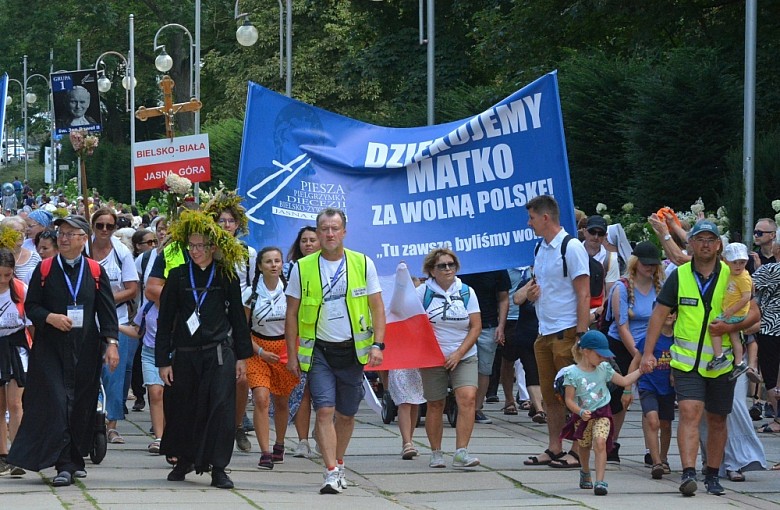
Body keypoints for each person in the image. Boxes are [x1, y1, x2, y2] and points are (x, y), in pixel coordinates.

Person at [641, 219, 760, 497]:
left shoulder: (735, 274)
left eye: (711, 239)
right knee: (689, 412)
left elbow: (755, 314)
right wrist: (647, 353)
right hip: (687, 362)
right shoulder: (680, 275)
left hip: (723, 363)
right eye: (700, 239)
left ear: (719, 245)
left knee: (718, 419)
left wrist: (730, 327)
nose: (705, 244)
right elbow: (659, 314)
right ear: (691, 244)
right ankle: (688, 473)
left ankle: (712, 474)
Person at [7, 215, 119, 487]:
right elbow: (31, 306)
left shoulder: (94, 271)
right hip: (51, 349)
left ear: (83, 239)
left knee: (80, 404)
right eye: (61, 234)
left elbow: (106, 311)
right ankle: (63, 465)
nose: (64, 238)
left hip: (85, 347)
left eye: (71, 234)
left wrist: (112, 343)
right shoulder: (45, 270)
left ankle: (74, 460)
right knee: (57, 403)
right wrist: (50, 317)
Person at [285, 208, 385, 494]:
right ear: (317, 233)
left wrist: (378, 344)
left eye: (334, 228)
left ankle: (339, 461)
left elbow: (377, 306)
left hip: (353, 352)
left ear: (344, 231)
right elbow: (292, 314)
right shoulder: (302, 267)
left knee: (347, 415)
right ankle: (330, 471)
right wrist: (292, 355)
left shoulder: (363, 263)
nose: (329, 234)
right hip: (319, 352)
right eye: (324, 229)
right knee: (325, 409)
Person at [155, 210, 253, 489]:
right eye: (192, 246)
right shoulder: (176, 276)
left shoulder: (225, 276)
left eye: (201, 246)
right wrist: (164, 361)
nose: (196, 251)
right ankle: (185, 459)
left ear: (213, 248)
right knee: (185, 408)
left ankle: (219, 467)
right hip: (185, 354)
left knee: (221, 409)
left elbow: (237, 316)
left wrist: (242, 357)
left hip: (218, 352)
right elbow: (165, 321)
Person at [523, 195, 590, 469]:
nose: (530, 224)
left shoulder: (571, 247)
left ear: (545, 217)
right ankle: (554, 447)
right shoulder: (541, 249)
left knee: (573, 395)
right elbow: (543, 286)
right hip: (545, 331)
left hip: (567, 331)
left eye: (532, 218)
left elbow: (584, 293)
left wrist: (582, 335)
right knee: (552, 396)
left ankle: (576, 451)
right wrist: (532, 294)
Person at [203, 190, 258, 454]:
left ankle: (236, 425)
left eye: (230, 221)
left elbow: (252, 285)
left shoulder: (249, 253)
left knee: (241, 379)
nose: (226, 226)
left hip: (239, 319)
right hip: (212, 319)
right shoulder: (208, 250)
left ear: (238, 225)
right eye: (221, 221)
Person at [417, 248, 481, 469]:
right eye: (441, 266)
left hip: (463, 354)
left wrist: (459, 354)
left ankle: (462, 451)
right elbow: (410, 323)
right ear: (431, 270)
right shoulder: (421, 292)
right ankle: (436, 452)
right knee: (435, 404)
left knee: (468, 398)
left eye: (451, 264)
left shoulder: (466, 291)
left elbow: (476, 326)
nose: (447, 269)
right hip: (433, 356)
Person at [603, 241, 664, 463]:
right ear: (636, 263)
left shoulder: (660, 288)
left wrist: (649, 351)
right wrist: (639, 355)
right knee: (620, 397)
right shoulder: (621, 287)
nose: (649, 268)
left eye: (653, 265)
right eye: (646, 264)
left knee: (651, 397)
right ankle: (612, 443)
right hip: (622, 344)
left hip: (651, 345)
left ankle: (651, 450)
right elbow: (622, 326)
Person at [561, 330, 641, 496]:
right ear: (586, 351)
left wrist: (641, 371)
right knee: (584, 446)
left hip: (603, 413)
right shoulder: (572, 373)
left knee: (600, 442)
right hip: (583, 416)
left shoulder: (604, 369)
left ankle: (600, 481)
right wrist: (580, 411)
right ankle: (585, 471)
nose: (603, 359)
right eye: (599, 355)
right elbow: (569, 400)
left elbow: (624, 381)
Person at [243, 246, 299, 469]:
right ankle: (265, 452)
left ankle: (280, 443)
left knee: (281, 400)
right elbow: (241, 329)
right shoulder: (250, 294)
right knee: (261, 398)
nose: (274, 265)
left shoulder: (290, 291)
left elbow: (297, 323)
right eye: (268, 261)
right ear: (260, 266)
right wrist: (259, 351)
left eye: (277, 261)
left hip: (284, 348)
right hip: (258, 349)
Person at [89, 208, 139, 445]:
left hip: (115, 322)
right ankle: (90, 418)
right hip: (87, 323)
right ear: (93, 226)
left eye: (109, 226)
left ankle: (112, 424)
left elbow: (131, 288)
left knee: (113, 374)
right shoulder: (84, 249)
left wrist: (105, 299)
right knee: (88, 373)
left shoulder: (121, 253)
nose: (104, 231)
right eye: (100, 225)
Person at [283, 225, 320, 458]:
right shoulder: (289, 270)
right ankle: (303, 440)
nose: (308, 244)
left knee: (325, 394)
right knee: (302, 391)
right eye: (304, 240)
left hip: (328, 339)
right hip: (300, 340)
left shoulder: (332, 268)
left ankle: (322, 433)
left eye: (312, 240)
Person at [628, 309, 676, 479]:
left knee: (666, 425)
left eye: (673, 312)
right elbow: (635, 362)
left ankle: (664, 458)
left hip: (668, 390)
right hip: (648, 386)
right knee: (652, 421)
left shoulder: (677, 340)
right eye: (666, 312)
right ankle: (656, 462)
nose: (669, 315)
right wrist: (627, 388)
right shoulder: (649, 340)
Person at [458, 269, 509, 425]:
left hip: (488, 325)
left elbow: (503, 298)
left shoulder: (497, 268)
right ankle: (460, 405)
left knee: (484, 369)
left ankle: (476, 408)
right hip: (460, 325)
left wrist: (501, 326)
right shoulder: (460, 265)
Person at [0, 247, 30, 477]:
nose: (3, 279)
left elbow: (31, 323)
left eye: (7, 275)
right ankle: (3, 454)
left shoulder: (20, 290)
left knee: (16, 403)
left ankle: (19, 454)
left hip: (16, 346)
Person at [707, 242, 751, 379]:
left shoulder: (743, 277)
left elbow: (746, 297)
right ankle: (739, 362)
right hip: (734, 312)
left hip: (735, 314)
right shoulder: (734, 273)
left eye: (742, 262)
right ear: (726, 261)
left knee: (714, 327)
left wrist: (731, 311)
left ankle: (719, 356)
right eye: (735, 262)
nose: (738, 265)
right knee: (734, 338)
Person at [1, 217, 41, 285]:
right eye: (16, 231)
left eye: (22, 231)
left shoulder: (34, 257)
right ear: (5, 233)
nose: (21, 235)